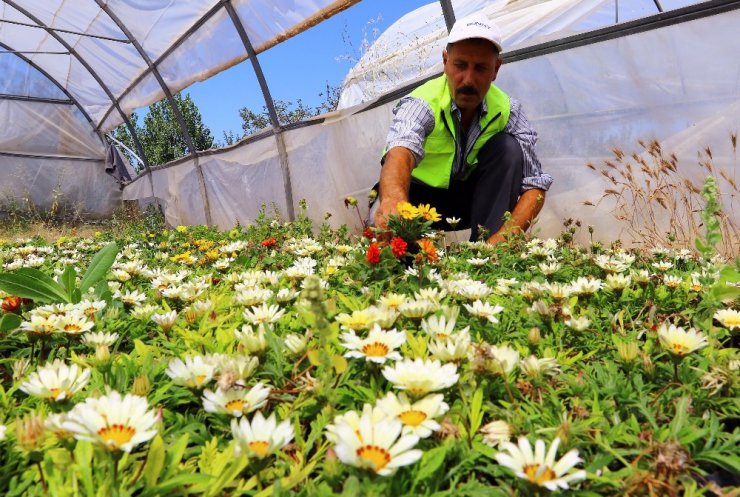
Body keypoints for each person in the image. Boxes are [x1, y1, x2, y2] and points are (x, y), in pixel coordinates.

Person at [371, 13, 553, 243]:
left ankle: (486, 255)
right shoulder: (423, 103)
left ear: (495, 69)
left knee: (508, 148)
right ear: (445, 61)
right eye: (460, 65)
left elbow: (535, 184)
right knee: (387, 237)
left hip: (468, 202)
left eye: (480, 68)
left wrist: (506, 237)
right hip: (414, 200)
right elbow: (401, 148)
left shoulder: (508, 111)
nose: (468, 79)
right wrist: (393, 200)